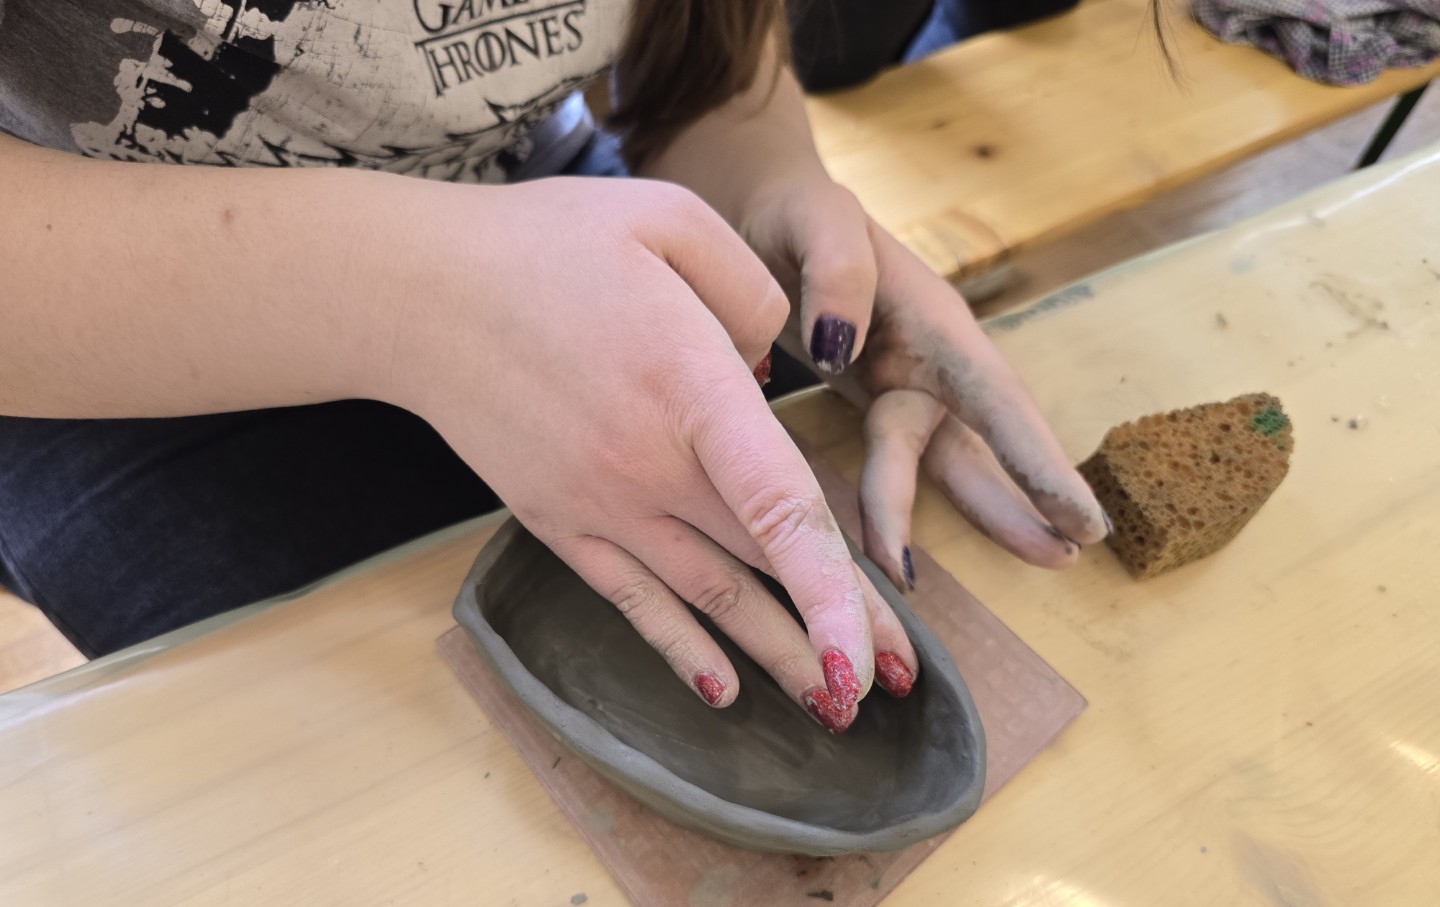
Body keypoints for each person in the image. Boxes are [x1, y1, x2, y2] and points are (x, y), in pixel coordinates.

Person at [0, 0, 1106, 732]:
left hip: (536, 204)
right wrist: (424, 297)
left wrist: (766, 184)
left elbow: (700, 54)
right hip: (107, 328)